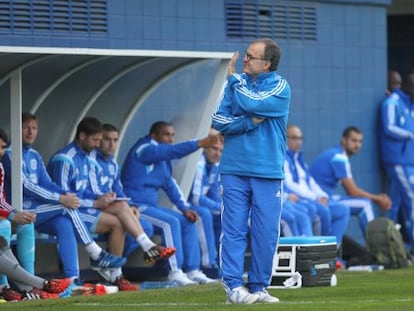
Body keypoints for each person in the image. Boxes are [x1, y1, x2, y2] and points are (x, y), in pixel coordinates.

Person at [47, 117, 174, 290]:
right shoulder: (65, 159)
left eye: (107, 140)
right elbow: (63, 198)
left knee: (122, 215)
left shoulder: (89, 159)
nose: (99, 144)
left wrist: (110, 200)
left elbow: (90, 190)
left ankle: (117, 272)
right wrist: (96, 202)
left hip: (85, 208)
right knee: (122, 219)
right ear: (82, 136)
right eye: (97, 140)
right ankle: (126, 262)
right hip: (69, 212)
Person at [1, 114, 127, 287]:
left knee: (63, 223)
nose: (31, 132)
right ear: (16, 129)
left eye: (34, 128)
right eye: (26, 127)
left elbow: (47, 183)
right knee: (65, 209)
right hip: (18, 211)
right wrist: (61, 199)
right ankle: (95, 253)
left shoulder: (34, 155)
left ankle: (72, 279)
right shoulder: (9, 154)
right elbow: (26, 186)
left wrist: (66, 196)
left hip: (38, 211)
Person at [211, 38, 290, 304]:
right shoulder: (234, 85)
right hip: (233, 169)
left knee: (266, 231)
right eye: (245, 55)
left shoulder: (280, 86)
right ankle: (233, 288)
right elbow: (218, 120)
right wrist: (246, 123)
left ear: (266, 64)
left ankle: (259, 287)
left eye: (251, 57)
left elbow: (253, 104)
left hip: (268, 171)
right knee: (232, 230)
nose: (244, 59)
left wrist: (234, 82)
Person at [121, 121, 219, 286]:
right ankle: (174, 272)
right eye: (167, 134)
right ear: (154, 135)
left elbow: (170, 185)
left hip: (150, 207)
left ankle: (193, 270)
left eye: (173, 135)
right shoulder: (145, 148)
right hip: (134, 206)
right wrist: (199, 144)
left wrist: (185, 208)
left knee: (187, 220)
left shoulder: (162, 160)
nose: (171, 139)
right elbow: (172, 151)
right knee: (170, 223)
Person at [89, 123, 176, 287]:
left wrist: (133, 205)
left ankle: (114, 270)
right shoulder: (91, 161)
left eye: (115, 140)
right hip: (89, 208)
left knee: (143, 226)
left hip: (107, 209)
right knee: (123, 212)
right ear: (98, 141)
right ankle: (147, 248)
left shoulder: (113, 164)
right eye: (107, 139)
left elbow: (119, 191)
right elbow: (91, 192)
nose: (111, 144)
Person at [310, 126, 391, 234]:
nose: (357, 145)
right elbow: (352, 191)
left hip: (324, 198)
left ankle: (334, 246)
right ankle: (375, 244)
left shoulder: (336, 154)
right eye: (353, 140)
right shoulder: (339, 157)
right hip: (319, 200)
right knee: (365, 204)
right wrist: (378, 199)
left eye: (360, 141)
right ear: (343, 140)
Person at [284, 125, 350, 249]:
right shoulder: (284, 158)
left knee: (342, 210)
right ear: (285, 139)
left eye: (300, 138)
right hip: (301, 200)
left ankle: (332, 252)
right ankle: (318, 251)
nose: (298, 142)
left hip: (313, 198)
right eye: (294, 138)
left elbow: (311, 182)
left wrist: (322, 195)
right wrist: (315, 198)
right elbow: (290, 185)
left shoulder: (300, 159)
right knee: (319, 211)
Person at [379, 73, 414, 252]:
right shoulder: (391, 102)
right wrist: (410, 134)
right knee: (412, 197)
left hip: (407, 159)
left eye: (399, 83)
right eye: (395, 83)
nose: (397, 86)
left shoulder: (408, 103)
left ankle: (391, 244)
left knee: (395, 203)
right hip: (397, 159)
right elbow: (389, 127)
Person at [188, 129, 223, 271]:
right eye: (214, 148)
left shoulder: (214, 166)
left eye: (221, 150)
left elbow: (214, 193)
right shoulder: (199, 163)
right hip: (186, 205)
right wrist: (219, 207)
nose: (218, 154)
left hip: (201, 204)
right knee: (205, 214)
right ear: (205, 147)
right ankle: (208, 264)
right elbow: (196, 198)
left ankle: (223, 262)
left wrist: (223, 209)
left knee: (225, 217)